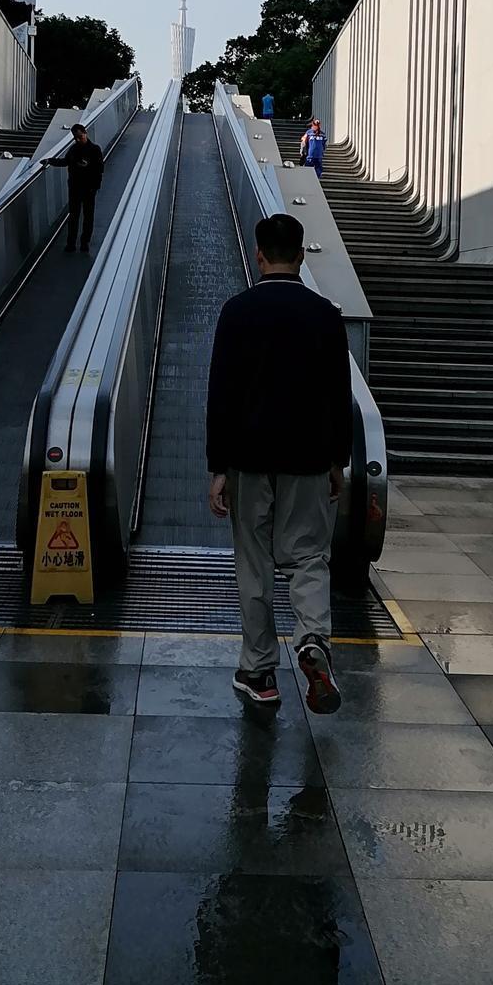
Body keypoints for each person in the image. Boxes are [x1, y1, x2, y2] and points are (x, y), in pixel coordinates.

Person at [206, 212, 351, 712]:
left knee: (254, 564)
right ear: (303, 253)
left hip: (248, 458)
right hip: (308, 458)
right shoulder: (325, 315)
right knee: (310, 556)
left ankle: (260, 671)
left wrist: (218, 466)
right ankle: (313, 641)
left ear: (259, 254)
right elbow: (339, 393)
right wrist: (339, 458)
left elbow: (220, 394)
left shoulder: (236, 311)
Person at [40, 122, 103, 253]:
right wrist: (50, 161)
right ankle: (71, 243)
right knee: (74, 215)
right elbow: (65, 161)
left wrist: (95, 187)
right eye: (76, 137)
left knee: (87, 216)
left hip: (88, 188)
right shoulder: (74, 150)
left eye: (80, 136)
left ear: (85, 133)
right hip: (75, 187)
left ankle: (84, 242)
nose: (78, 139)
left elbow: (99, 169)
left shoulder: (95, 149)